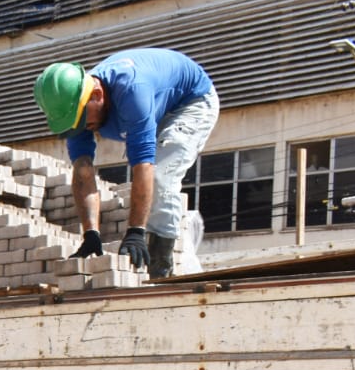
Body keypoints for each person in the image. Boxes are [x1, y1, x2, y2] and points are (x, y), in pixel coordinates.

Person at [33, 48, 218, 279]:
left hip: (190, 102)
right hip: (154, 106)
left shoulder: (132, 92)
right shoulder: (76, 107)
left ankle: (161, 266)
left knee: (161, 176)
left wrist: (135, 232)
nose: (80, 127)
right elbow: (83, 172)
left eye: (82, 121)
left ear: (97, 95)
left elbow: (144, 166)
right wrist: (91, 234)